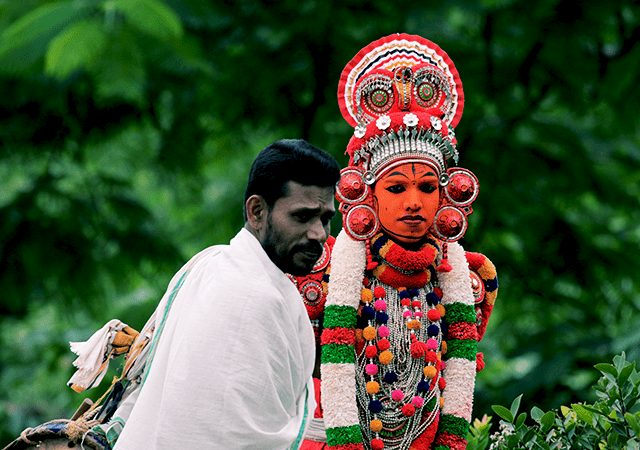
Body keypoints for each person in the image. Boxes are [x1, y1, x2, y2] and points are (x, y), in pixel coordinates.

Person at [59, 139, 340, 450]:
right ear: (257, 211)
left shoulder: (215, 265)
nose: (319, 234)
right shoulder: (253, 294)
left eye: (325, 218)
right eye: (303, 217)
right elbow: (226, 435)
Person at [297, 34, 499, 450]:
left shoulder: (469, 279)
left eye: (427, 187)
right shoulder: (326, 271)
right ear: (367, 194)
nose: (413, 204)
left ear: (446, 195)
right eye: (396, 188)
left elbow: (456, 372)